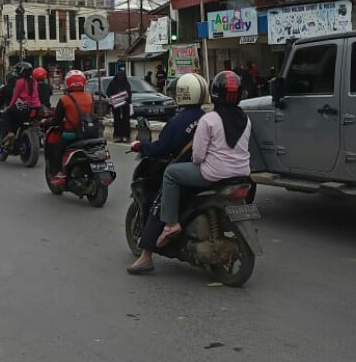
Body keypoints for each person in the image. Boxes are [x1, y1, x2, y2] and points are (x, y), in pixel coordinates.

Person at [156, 69, 251, 245]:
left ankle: (170, 223)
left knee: (170, 173)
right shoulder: (246, 119)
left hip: (213, 174)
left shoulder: (209, 120)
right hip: (242, 173)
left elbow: (198, 156)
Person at [127, 72, 208, 274]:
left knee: (158, 205)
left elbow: (161, 148)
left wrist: (142, 146)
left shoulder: (178, 121)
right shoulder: (207, 118)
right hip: (210, 171)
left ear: (182, 94)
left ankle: (145, 257)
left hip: (186, 173)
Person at [44, 68, 97, 181]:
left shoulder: (65, 99)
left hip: (72, 134)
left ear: (68, 83)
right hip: (91, 133)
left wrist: (46, 122)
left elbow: (57, 120)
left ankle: (59, 172)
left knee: (56, 149)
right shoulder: (90, 97)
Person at [0, 61, 41, 146]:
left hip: (25, 107)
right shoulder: (34, 81)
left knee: (7, 113)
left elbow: (15, 97)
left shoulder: (19, 82)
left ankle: (10, 132)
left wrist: (9, 107)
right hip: (36, 107)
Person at [105, 63, 132, 142]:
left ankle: (125, 136)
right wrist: (116, 97)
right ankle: (118, 135)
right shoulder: (113, 83)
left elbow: (129, 94)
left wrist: (126, 98)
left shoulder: (126, 84)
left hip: (125, 106)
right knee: (117, 120)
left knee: (126, 120)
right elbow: (108, 92)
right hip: (116, 105)